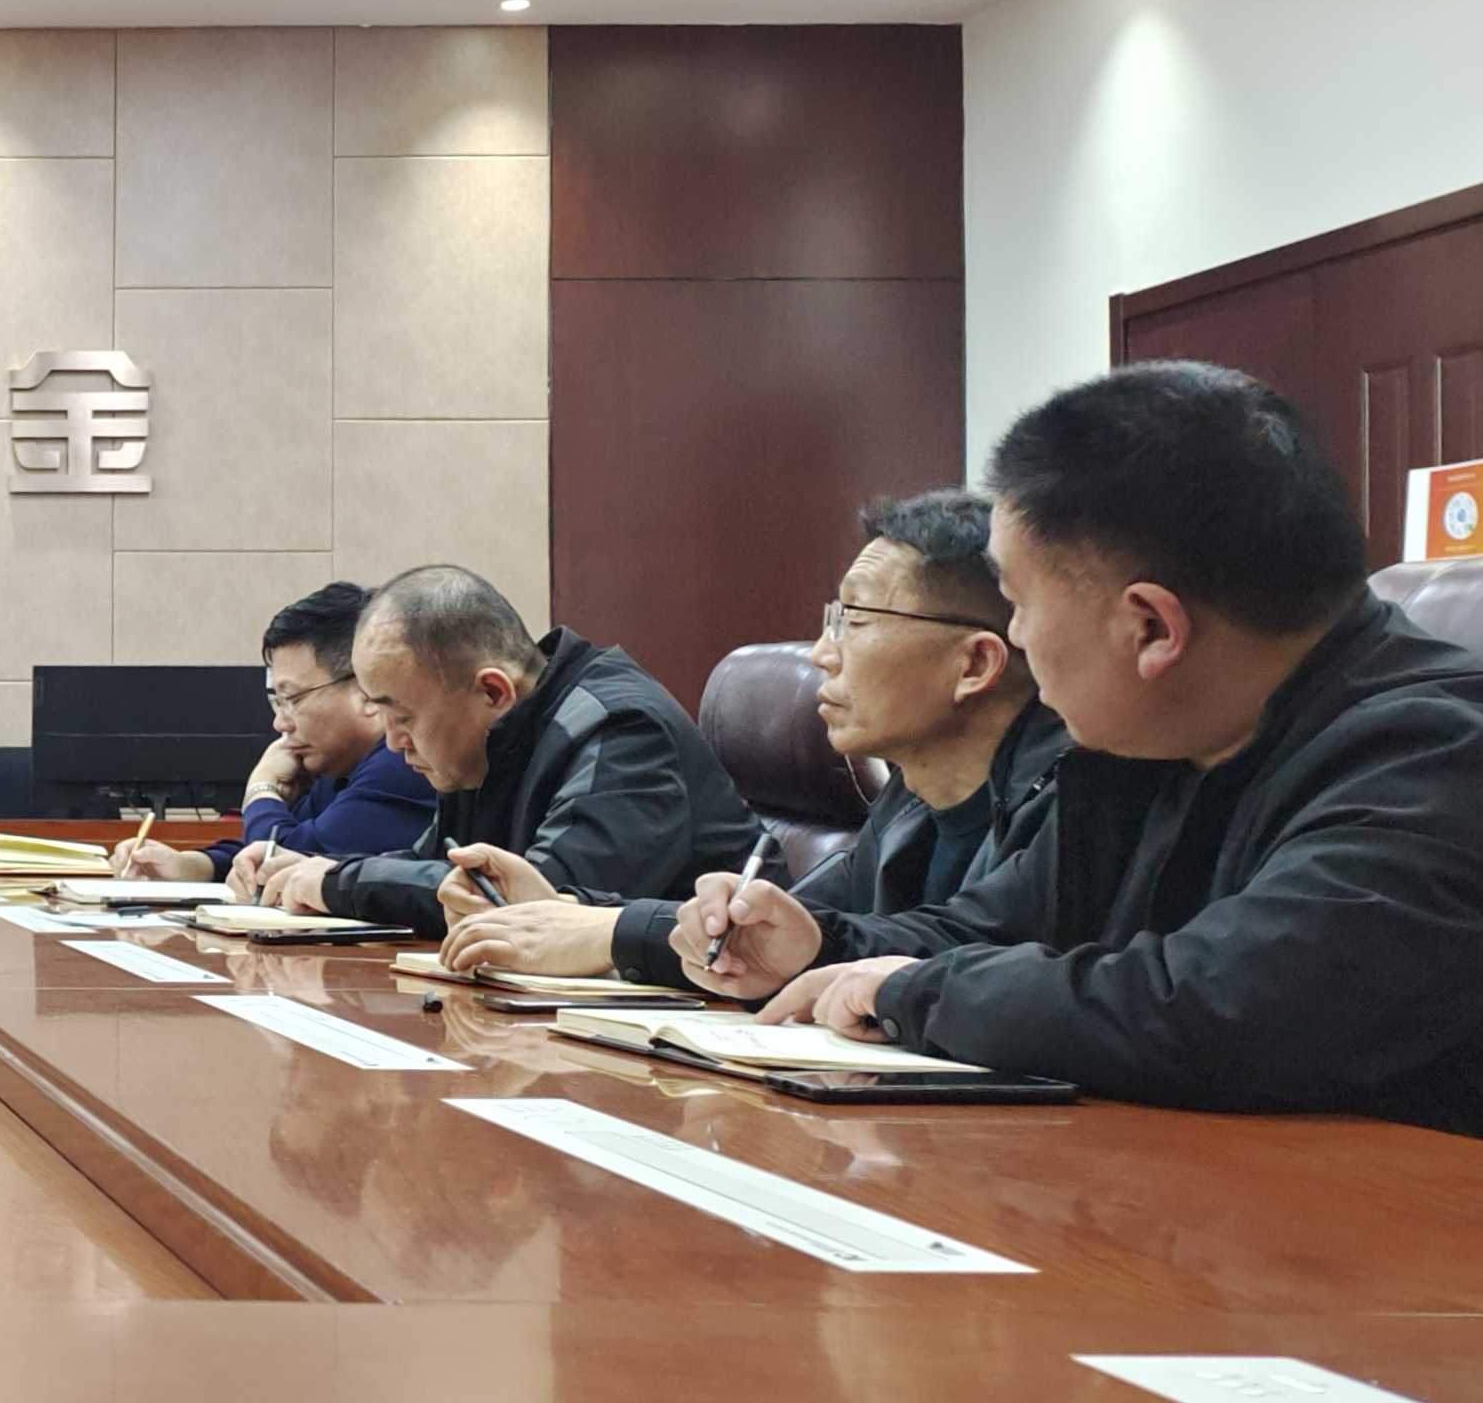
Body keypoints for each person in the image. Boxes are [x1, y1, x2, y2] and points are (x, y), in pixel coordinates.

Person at [683, 364, 1483, 1134]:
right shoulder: (1147, 743)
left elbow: (1224, 1007)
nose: (1016, 639)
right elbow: (995, 929)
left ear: (1151, 628)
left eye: (1018, 604)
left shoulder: (1434, 751)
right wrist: (821, 947)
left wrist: (913, 995)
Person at [451, 489, 1066, 982]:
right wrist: (566, 910)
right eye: (832, 620)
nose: (822, 653)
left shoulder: (1068, 798)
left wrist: (612, 932)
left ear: (974, 664)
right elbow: (796, 925)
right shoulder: (913, 796)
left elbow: (958, 951)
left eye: (854, 620)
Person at [292, 564, 759, 948]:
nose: (394, 743)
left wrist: (335, 882)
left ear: (493, 692)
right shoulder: (482, 743)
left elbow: (535, 904)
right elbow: (435, 866)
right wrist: (301, 873)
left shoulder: (622, 727)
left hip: (719, 1009)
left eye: (403, 717)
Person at [110, 581, 436, 887]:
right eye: (276, 702)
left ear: (366, 690)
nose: (280, 724)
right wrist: (191, 865)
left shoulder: (403, 763)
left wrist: (262, 787)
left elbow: (284, 860)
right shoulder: (340, 765)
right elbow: (276, 846)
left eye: (292, 699)